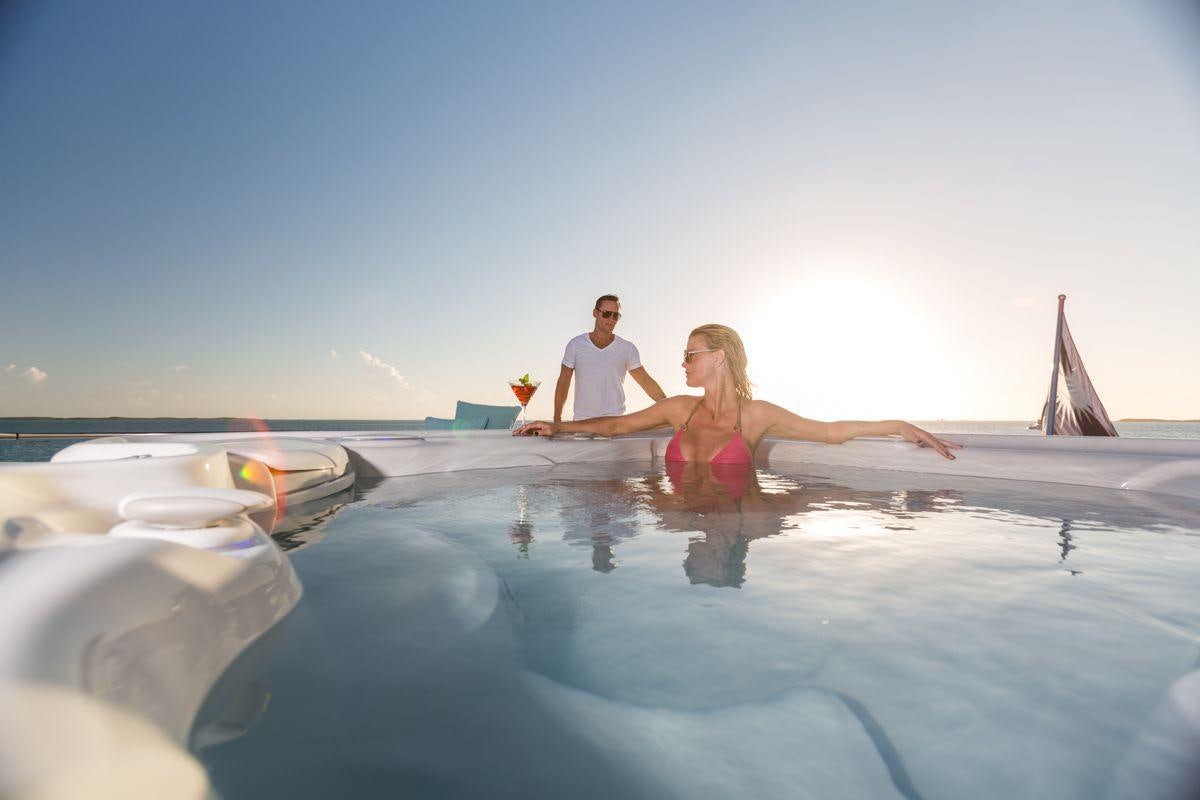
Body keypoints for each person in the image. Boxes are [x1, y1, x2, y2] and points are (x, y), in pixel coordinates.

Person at [522, 323, 961, 461]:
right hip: (681, 522)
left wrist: (896, 425)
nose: (683, 363)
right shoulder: (679, 409)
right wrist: (558, 427)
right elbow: (617, 426)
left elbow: (829, 432)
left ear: (718, 358)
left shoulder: (757, 416)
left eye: (690, 355)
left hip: (739, 520)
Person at [555, 294, 666, 422]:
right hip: (582, 422)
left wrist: (671, 408)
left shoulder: (627, 348)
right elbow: (563, 382)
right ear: (595, 313)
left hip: (615, 423)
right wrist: (557, 419)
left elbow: (645, 381)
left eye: (615, 316)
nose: (611, 319)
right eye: (607, 314)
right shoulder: (575, 345)